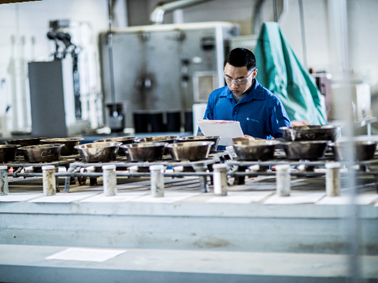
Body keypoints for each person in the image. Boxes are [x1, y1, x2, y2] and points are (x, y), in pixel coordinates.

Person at [202, 47, 291, 141]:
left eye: (240, 80)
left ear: (254, 74)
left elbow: (287, 140)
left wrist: (256, 142)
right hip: (220, 156)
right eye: (228, 78)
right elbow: (203, 134)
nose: (233, 86)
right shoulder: (215, 97)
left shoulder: (270, 102)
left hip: (255, 155)